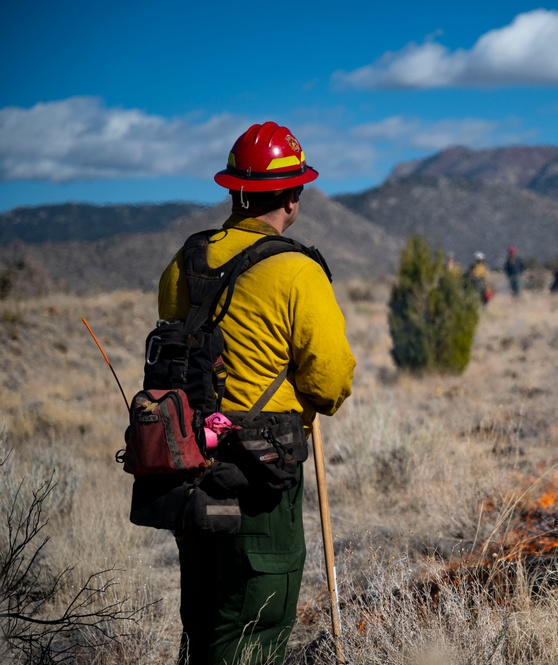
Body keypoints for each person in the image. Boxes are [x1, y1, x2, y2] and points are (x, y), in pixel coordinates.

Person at [157, 121, 355, 665]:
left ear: (233, 190)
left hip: (189, 467)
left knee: (205, 617)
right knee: (254, 625)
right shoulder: (296, 270)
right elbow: (330, 380)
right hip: (261, 477)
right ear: (293, 197)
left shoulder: (185, 262)